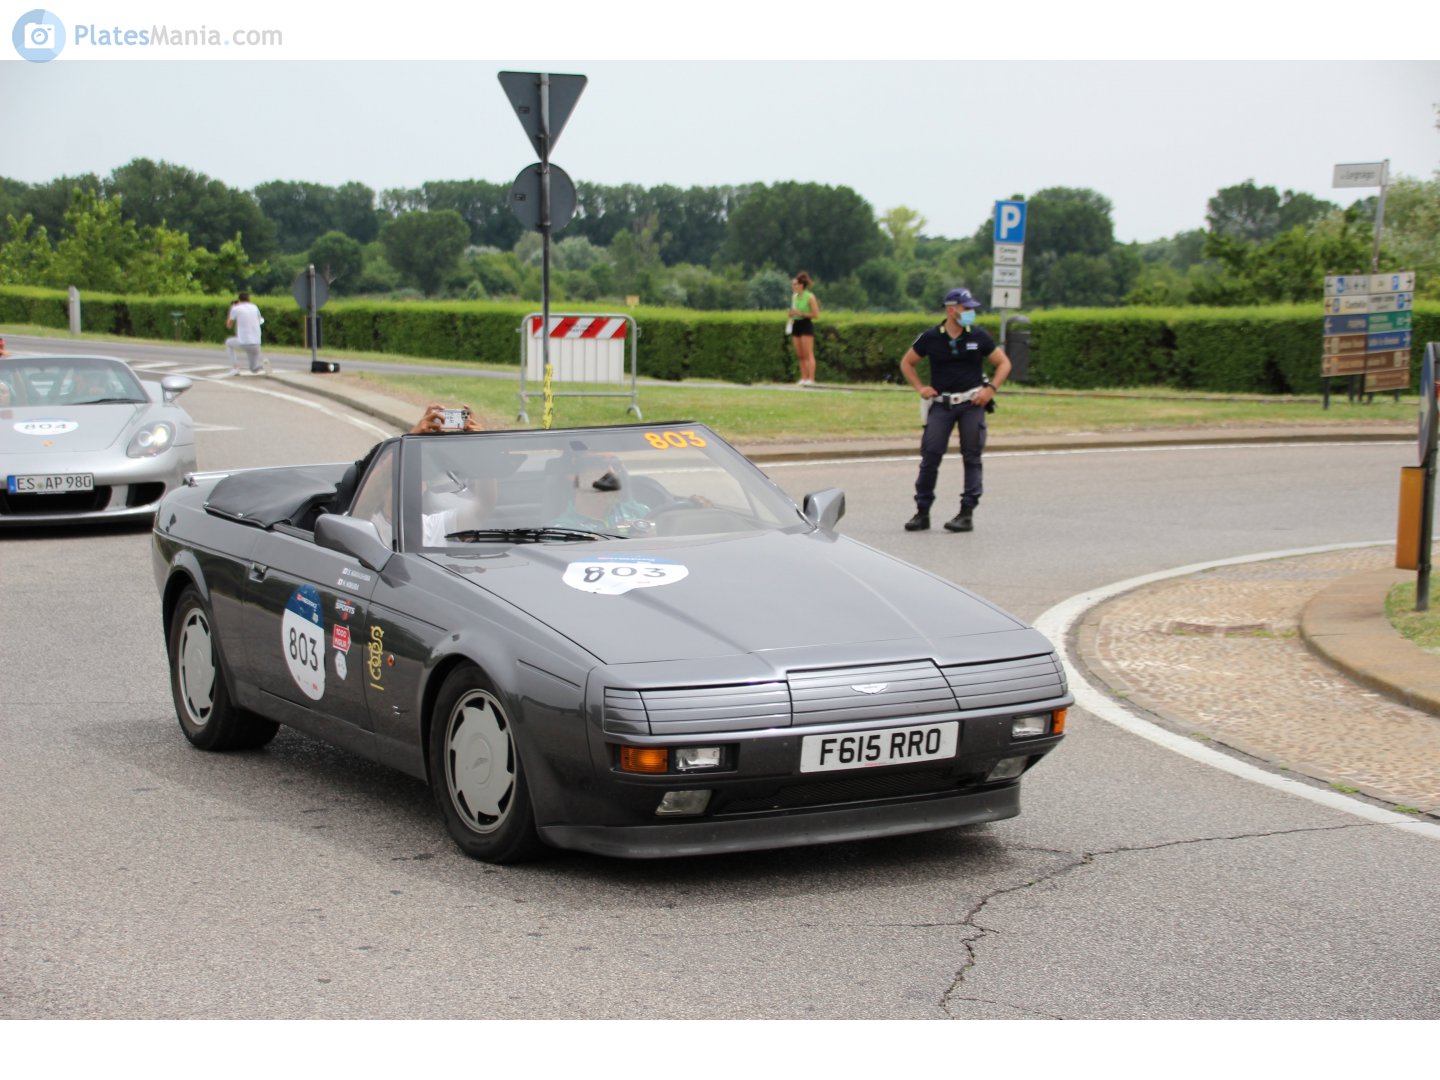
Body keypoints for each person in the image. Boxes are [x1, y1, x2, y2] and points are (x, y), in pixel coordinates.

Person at [899, 287, 1011, 533]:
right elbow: (907, 363)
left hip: (972, 404)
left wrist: (990, 389)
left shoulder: (979, 336)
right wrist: (920, 388)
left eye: (972, 308)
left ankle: (966, 513)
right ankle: (922, 512)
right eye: (967, 308)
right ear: (952, 310)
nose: (971, 312)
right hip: (942, 404)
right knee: (930, 456)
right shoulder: (930, 337)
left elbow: (1003, 363)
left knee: (971, 457)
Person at [787, 271, 820, 386]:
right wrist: (791, 314)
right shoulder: (794, 297)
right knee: (800, 354)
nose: (793, 286)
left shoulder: (810, 297)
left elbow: (816, 315)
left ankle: (811, 378)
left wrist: (801, 313)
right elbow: (794, 311)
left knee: (808, 353)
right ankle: (803, 377)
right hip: (796, 324)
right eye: (793, 284)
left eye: (795, 284)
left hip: (806, 324)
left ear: (801, 285)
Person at [225, 291, 267, 376]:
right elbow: (260, 321)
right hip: (256, 343)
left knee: (228, 343)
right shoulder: (254, 307)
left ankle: (235, 368)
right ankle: (263, 366)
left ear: (239, 300)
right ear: (249, 299)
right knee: (253, 369)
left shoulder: (236, 308)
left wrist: (231, 309)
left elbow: (228, 325)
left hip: (244, 342)